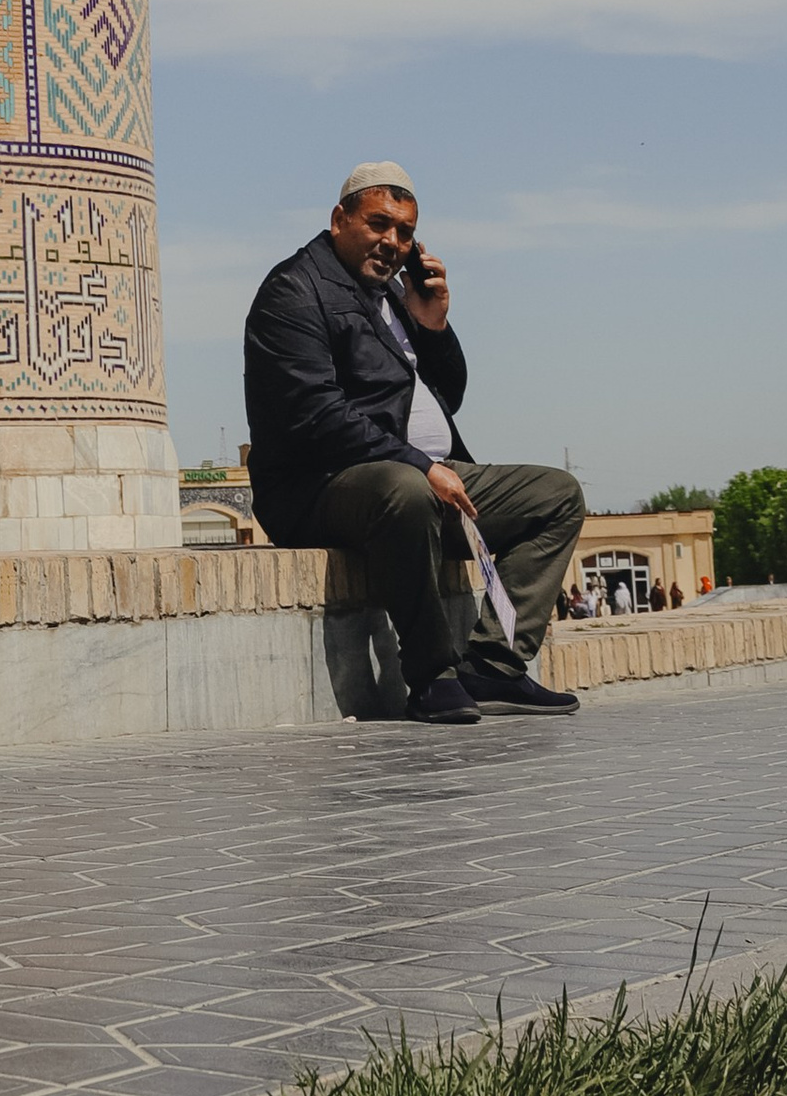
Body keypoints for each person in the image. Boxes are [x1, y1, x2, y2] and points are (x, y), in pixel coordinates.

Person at [242, 163, 587, 725]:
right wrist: (420, 465)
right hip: (318, 489)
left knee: (557, 495)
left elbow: (446, 396)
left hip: (420, 480)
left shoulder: (393, 295)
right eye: (379, 224)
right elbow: (315, 413)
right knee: (403, 489)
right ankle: (431, 676)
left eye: (405, 231)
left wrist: (433, 326)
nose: (393, 242)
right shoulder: (294, 291)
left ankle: (494, 665)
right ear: (339, 219)